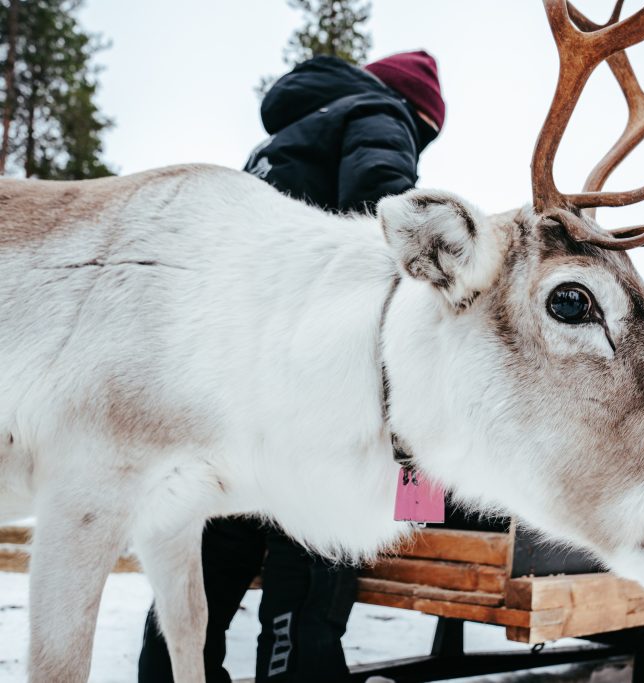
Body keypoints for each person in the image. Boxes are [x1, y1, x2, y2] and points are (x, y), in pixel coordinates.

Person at [137, 50, 445, 683]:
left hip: (222, 383)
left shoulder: (277, 142)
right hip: (306, 388)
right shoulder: (379, 111)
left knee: (209, 556)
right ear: (416, 114)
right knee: (309, 554)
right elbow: (384, 215)